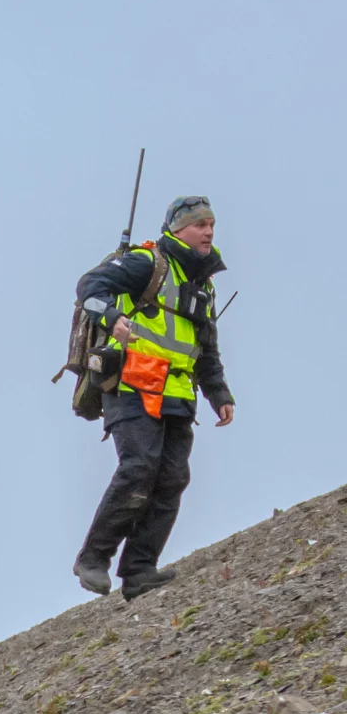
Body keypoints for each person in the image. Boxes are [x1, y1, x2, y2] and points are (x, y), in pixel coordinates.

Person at [73, 194, 235, 602]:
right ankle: (93, 559)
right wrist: (112, 318)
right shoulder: (148, 262)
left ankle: (140, 570)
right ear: (178, 229)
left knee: (172, 479)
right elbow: (89, 286)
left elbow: (207, 348)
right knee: (139, 469)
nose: (209, 231)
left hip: (179, 394)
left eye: (212, 224)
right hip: (129, 386)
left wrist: (219, 394)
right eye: (200, 224)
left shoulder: (205, 285)